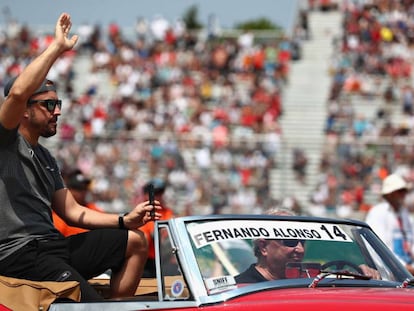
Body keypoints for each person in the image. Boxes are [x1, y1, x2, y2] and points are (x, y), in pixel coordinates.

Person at [0, 13, 162, 302]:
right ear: (24, 110)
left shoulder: (46, 156)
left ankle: (115, 305)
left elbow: (74, 212)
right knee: (90, 306)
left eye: (58, 103)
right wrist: (56, 48)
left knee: (136, 241)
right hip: (20, 255)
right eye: (49, 104)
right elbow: (17, 93)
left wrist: (126, 219)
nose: (58, 111)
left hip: (51, 248)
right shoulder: (6, 142)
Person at [235, 208, 380, 283]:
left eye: (302, 242)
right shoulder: (239, 288)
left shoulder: (312, 281)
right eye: (290, 241)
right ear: (263, 247)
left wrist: (362, 274)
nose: (301, 249)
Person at [366, 173, 414, 274]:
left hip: (408, 269)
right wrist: (403, 267)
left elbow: (411, 243)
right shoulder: (378, 212)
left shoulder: (405, 215)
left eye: (404, 191)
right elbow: (378, 248)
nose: (403, 195)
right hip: (389, 274)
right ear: (390, 194)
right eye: (400, 191)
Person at [52, 169, 104, 237]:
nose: (83, 192)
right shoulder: (60, 214)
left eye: (85, 188)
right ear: (68, 190)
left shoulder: (93, 209)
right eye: (79, 189)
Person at [139, 179, 174, 277]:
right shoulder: (140, 213)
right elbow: (145, 239)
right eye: (156, 193)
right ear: (146, 195)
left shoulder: (167, 212)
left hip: (162, 260)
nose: (159, 196)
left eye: (161, 192)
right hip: (145, 261)